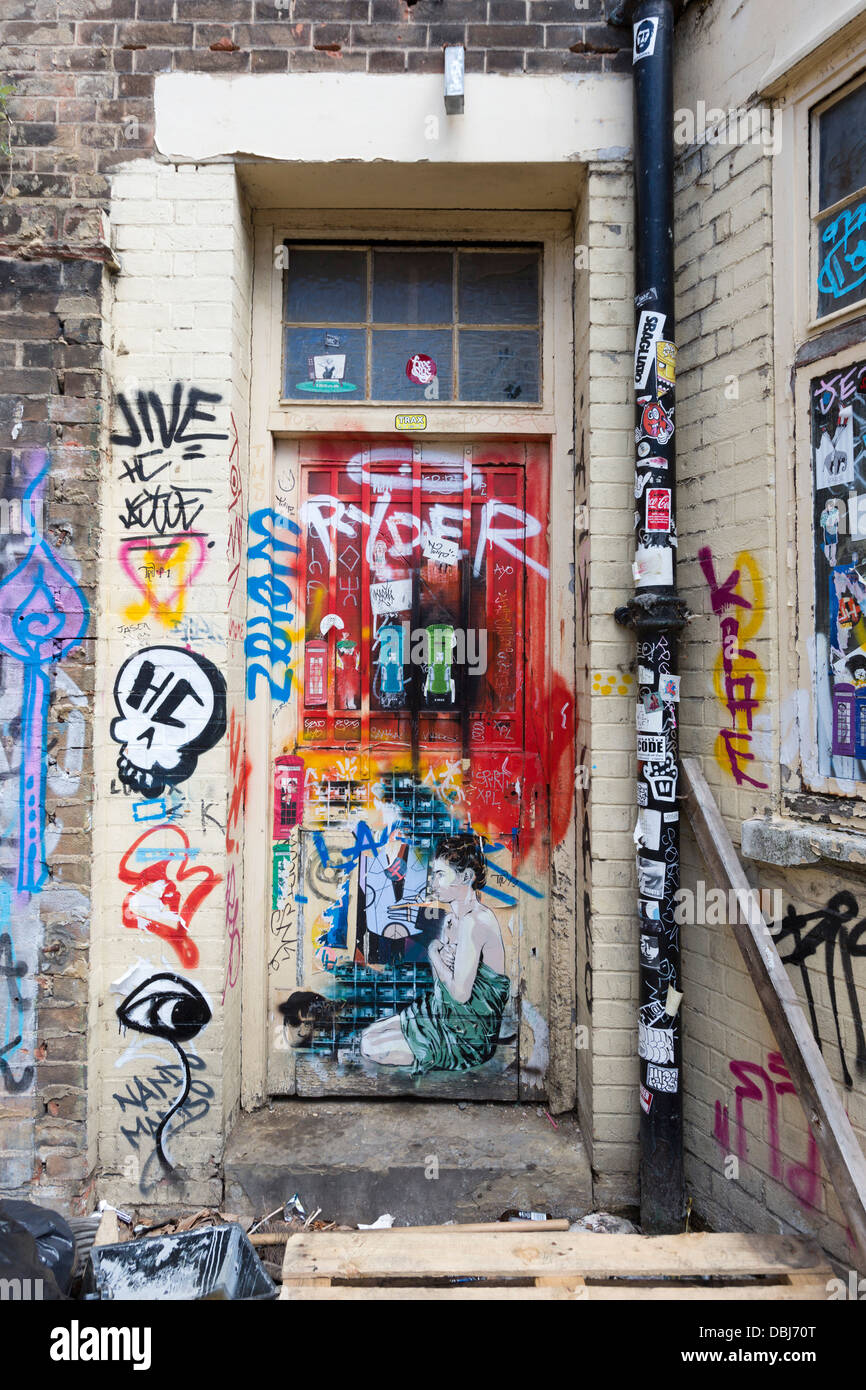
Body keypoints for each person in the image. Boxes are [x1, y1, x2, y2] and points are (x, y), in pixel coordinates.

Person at [359, 834, 510, 1072]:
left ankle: (432, 1050)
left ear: (466, 877)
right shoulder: (452, 920)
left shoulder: (475, 922)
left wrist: (433, 952)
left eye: (440, 874)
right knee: (370, 1033)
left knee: (370, 1045)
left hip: (467, 1037)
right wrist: (443, 960)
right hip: (443, 1014)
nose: (433, 883)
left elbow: (460, 994)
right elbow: (444, 986)